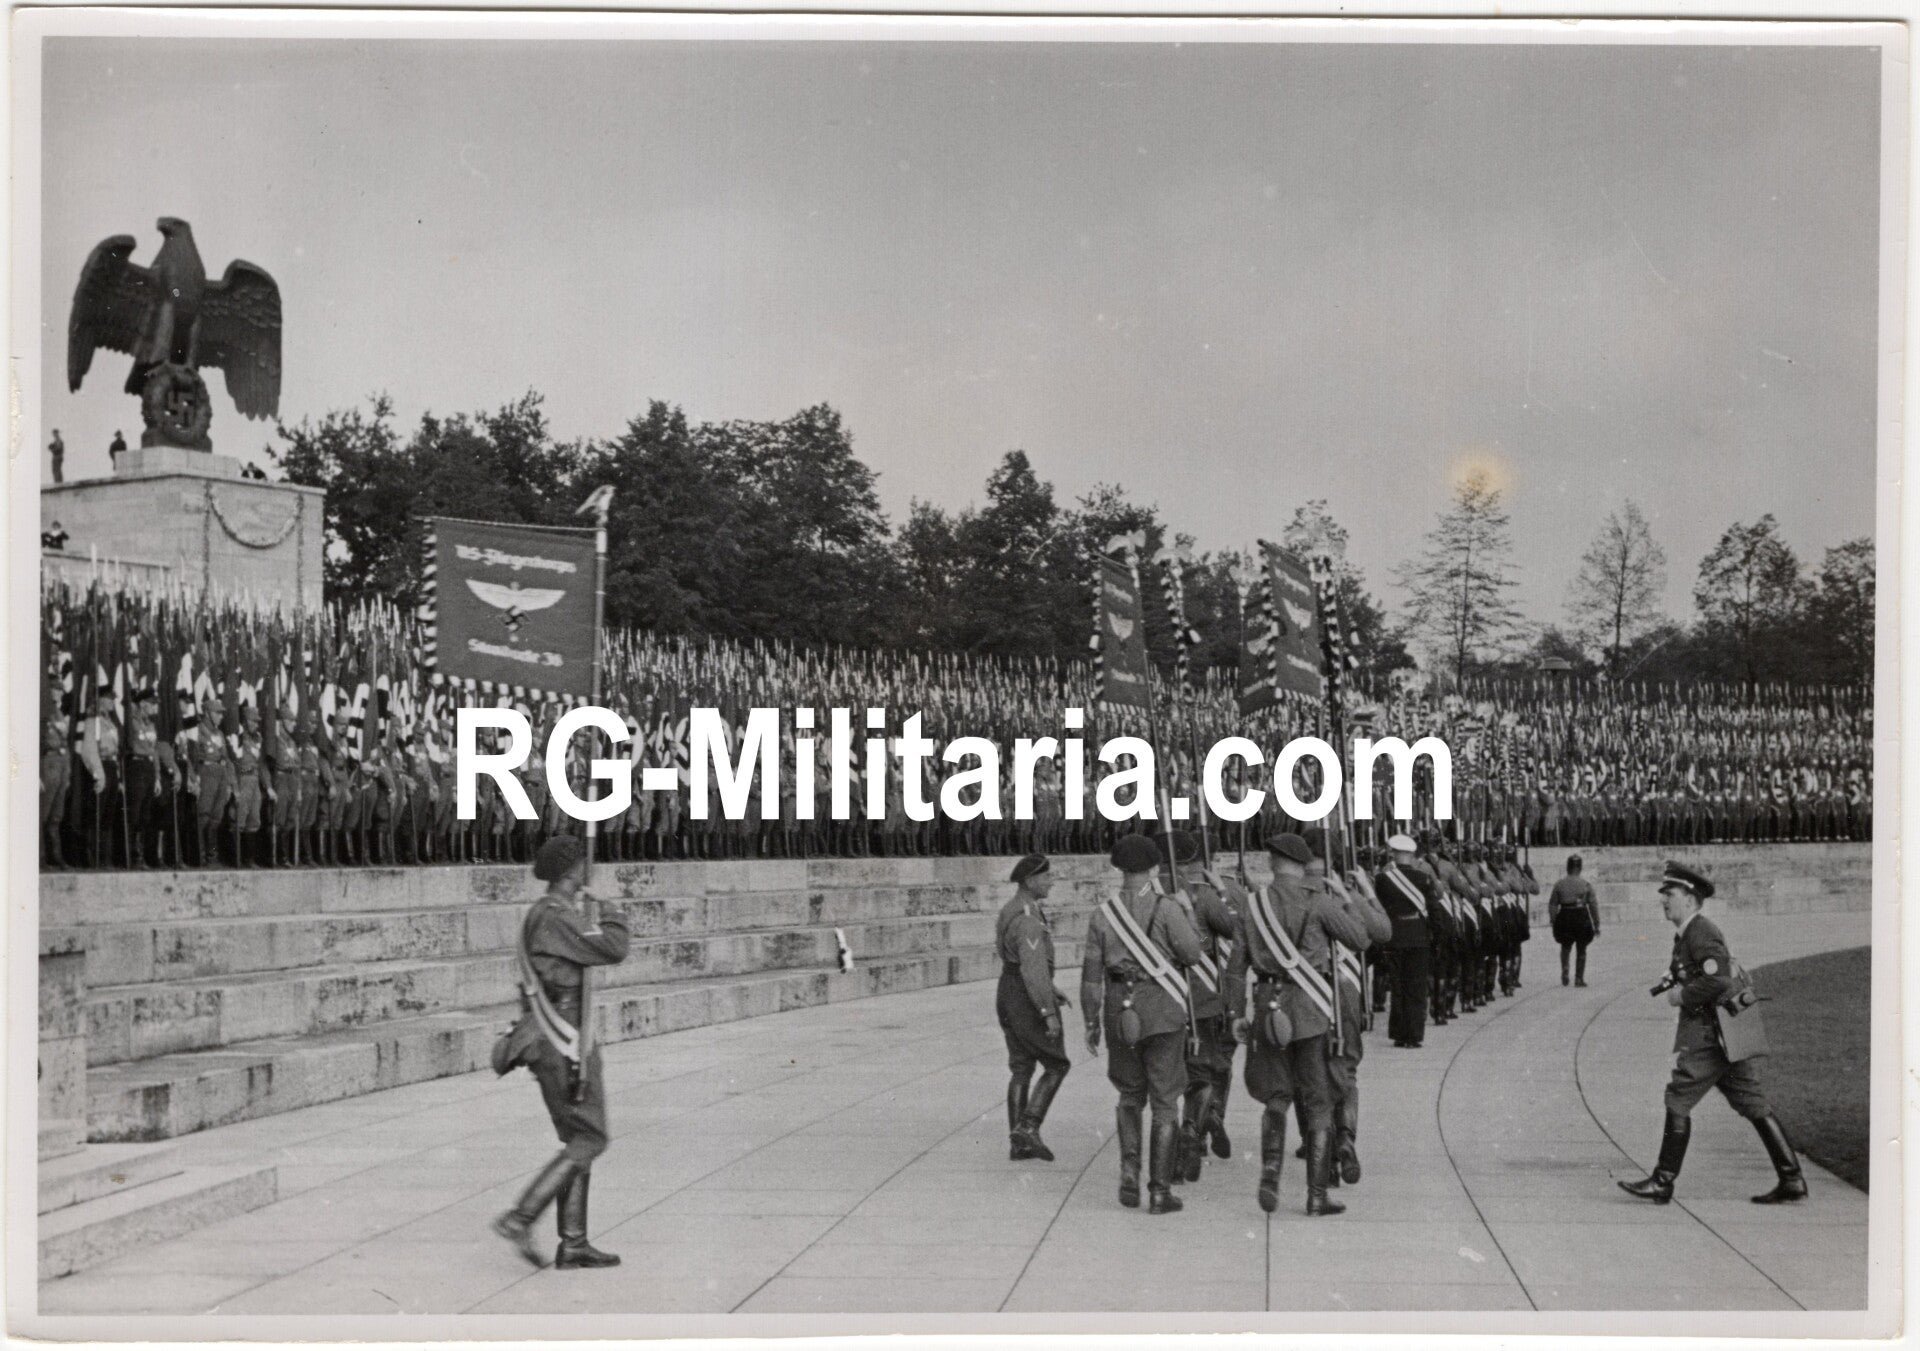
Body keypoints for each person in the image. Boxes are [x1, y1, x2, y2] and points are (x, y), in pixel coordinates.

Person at [1618, 862, 1807, 1207]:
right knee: (1752, 1102)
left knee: (1678, 1097)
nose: (1664, 901)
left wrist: (1681, 995)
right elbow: (1707, 971)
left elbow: (1718, 978)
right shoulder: (1690, 933)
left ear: (1689, 899)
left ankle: (1663, 1182)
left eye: (1670, 895)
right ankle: (1792, 1178)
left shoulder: (1701, 931)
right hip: (1725, 1037)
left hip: (1708, 1036)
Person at [493, 835, 633, 1267]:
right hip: (562, 1039)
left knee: (578, 1140)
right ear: (572, 871)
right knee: (591, 1137)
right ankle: (521, 1216)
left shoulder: (555, 914)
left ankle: (573, 1242)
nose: (588, 871)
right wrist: (612, 912)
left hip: (565, 1033)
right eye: (583, 865)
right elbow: (614, 947)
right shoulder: (555, 917)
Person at [1229, 832, 1372, 1216]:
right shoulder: (1319, 902)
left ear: (1273, 862)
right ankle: (1316, 1195)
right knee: (1319, 1100)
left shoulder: (1252, 905)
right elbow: (1360, 939)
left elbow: (1234, 967)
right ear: (1303, 864)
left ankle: (1270, 1173)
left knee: (1276, 1097)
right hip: (1310, 1011)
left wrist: (1235, 1014)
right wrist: (1347, 900)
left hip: (1267, 1008)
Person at [1081, 832, 1205, 1214]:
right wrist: (1187, 913)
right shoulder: (1168, 908)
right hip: (1163, 1010)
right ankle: (1159, 1190)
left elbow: (1090, 977)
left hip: (1120, 1010)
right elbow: (1193, 953)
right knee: (1166, 1100)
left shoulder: (1102, 915)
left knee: (1129, 1095)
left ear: (1119, 869)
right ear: (1153, 869)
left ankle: (1129, 1174)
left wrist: (1092, 1022)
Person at [1161, 829, 1239, 1185]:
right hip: (1205, 1000)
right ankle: (1196, 1131)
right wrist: (1223, 893)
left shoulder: (1159, 896)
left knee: (1175, 1080)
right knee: (1204, 1074)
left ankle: (1194, 1130)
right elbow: (1236, 928)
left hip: (1168, 999)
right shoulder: (1206, 896)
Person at [996, 853, 1071, 1162]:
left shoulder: (1012, 909)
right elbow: (1032, 969)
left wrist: (1050, 987)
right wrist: (1048, 1011)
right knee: (1057, 1064)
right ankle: (1028, 1127)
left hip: (1009, 989)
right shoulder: (1028, 918)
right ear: (1029, 881)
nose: (1051, 882)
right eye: (1046, 877)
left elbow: (1020, 961)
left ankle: (1019, 1143)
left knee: (1022, 1065)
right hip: (1026, 998)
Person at [1373, 834, 1431, 1048]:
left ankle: (1399, 1034)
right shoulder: (1424, 878)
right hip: (1418, 937)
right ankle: (1414, 1035)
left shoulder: (1382, 879)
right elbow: (1433, 909)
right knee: (1416, 988)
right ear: (1412, 854)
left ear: (1395, 854)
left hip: (1394, 937)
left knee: (1397, 987)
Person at [1548, 854, 1600, 987]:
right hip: (1581, 915)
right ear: (1580, 868)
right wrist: (1596, 924)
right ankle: (1579, 978)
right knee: (1581, 948)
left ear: (1568, 867)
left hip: (1565, 915)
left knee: (1565, 946)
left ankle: (1565, 972)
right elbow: (1593, 905)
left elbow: (1553, 904)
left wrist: (1554, 921)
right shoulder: (1585, 885)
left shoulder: (1559, 884)